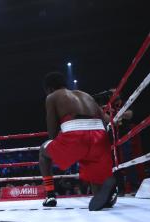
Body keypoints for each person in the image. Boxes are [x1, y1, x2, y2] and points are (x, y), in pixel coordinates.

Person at [39, 72, 117, 211]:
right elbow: (106, 119)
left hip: (75, 135)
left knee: (44, 151)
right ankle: (109, 194)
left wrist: (63, 146)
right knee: (97, 192)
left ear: (49, 89)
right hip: (100, 136)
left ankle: (50, 194)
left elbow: (52, 132)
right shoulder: (86, 95)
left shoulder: (52, 97)